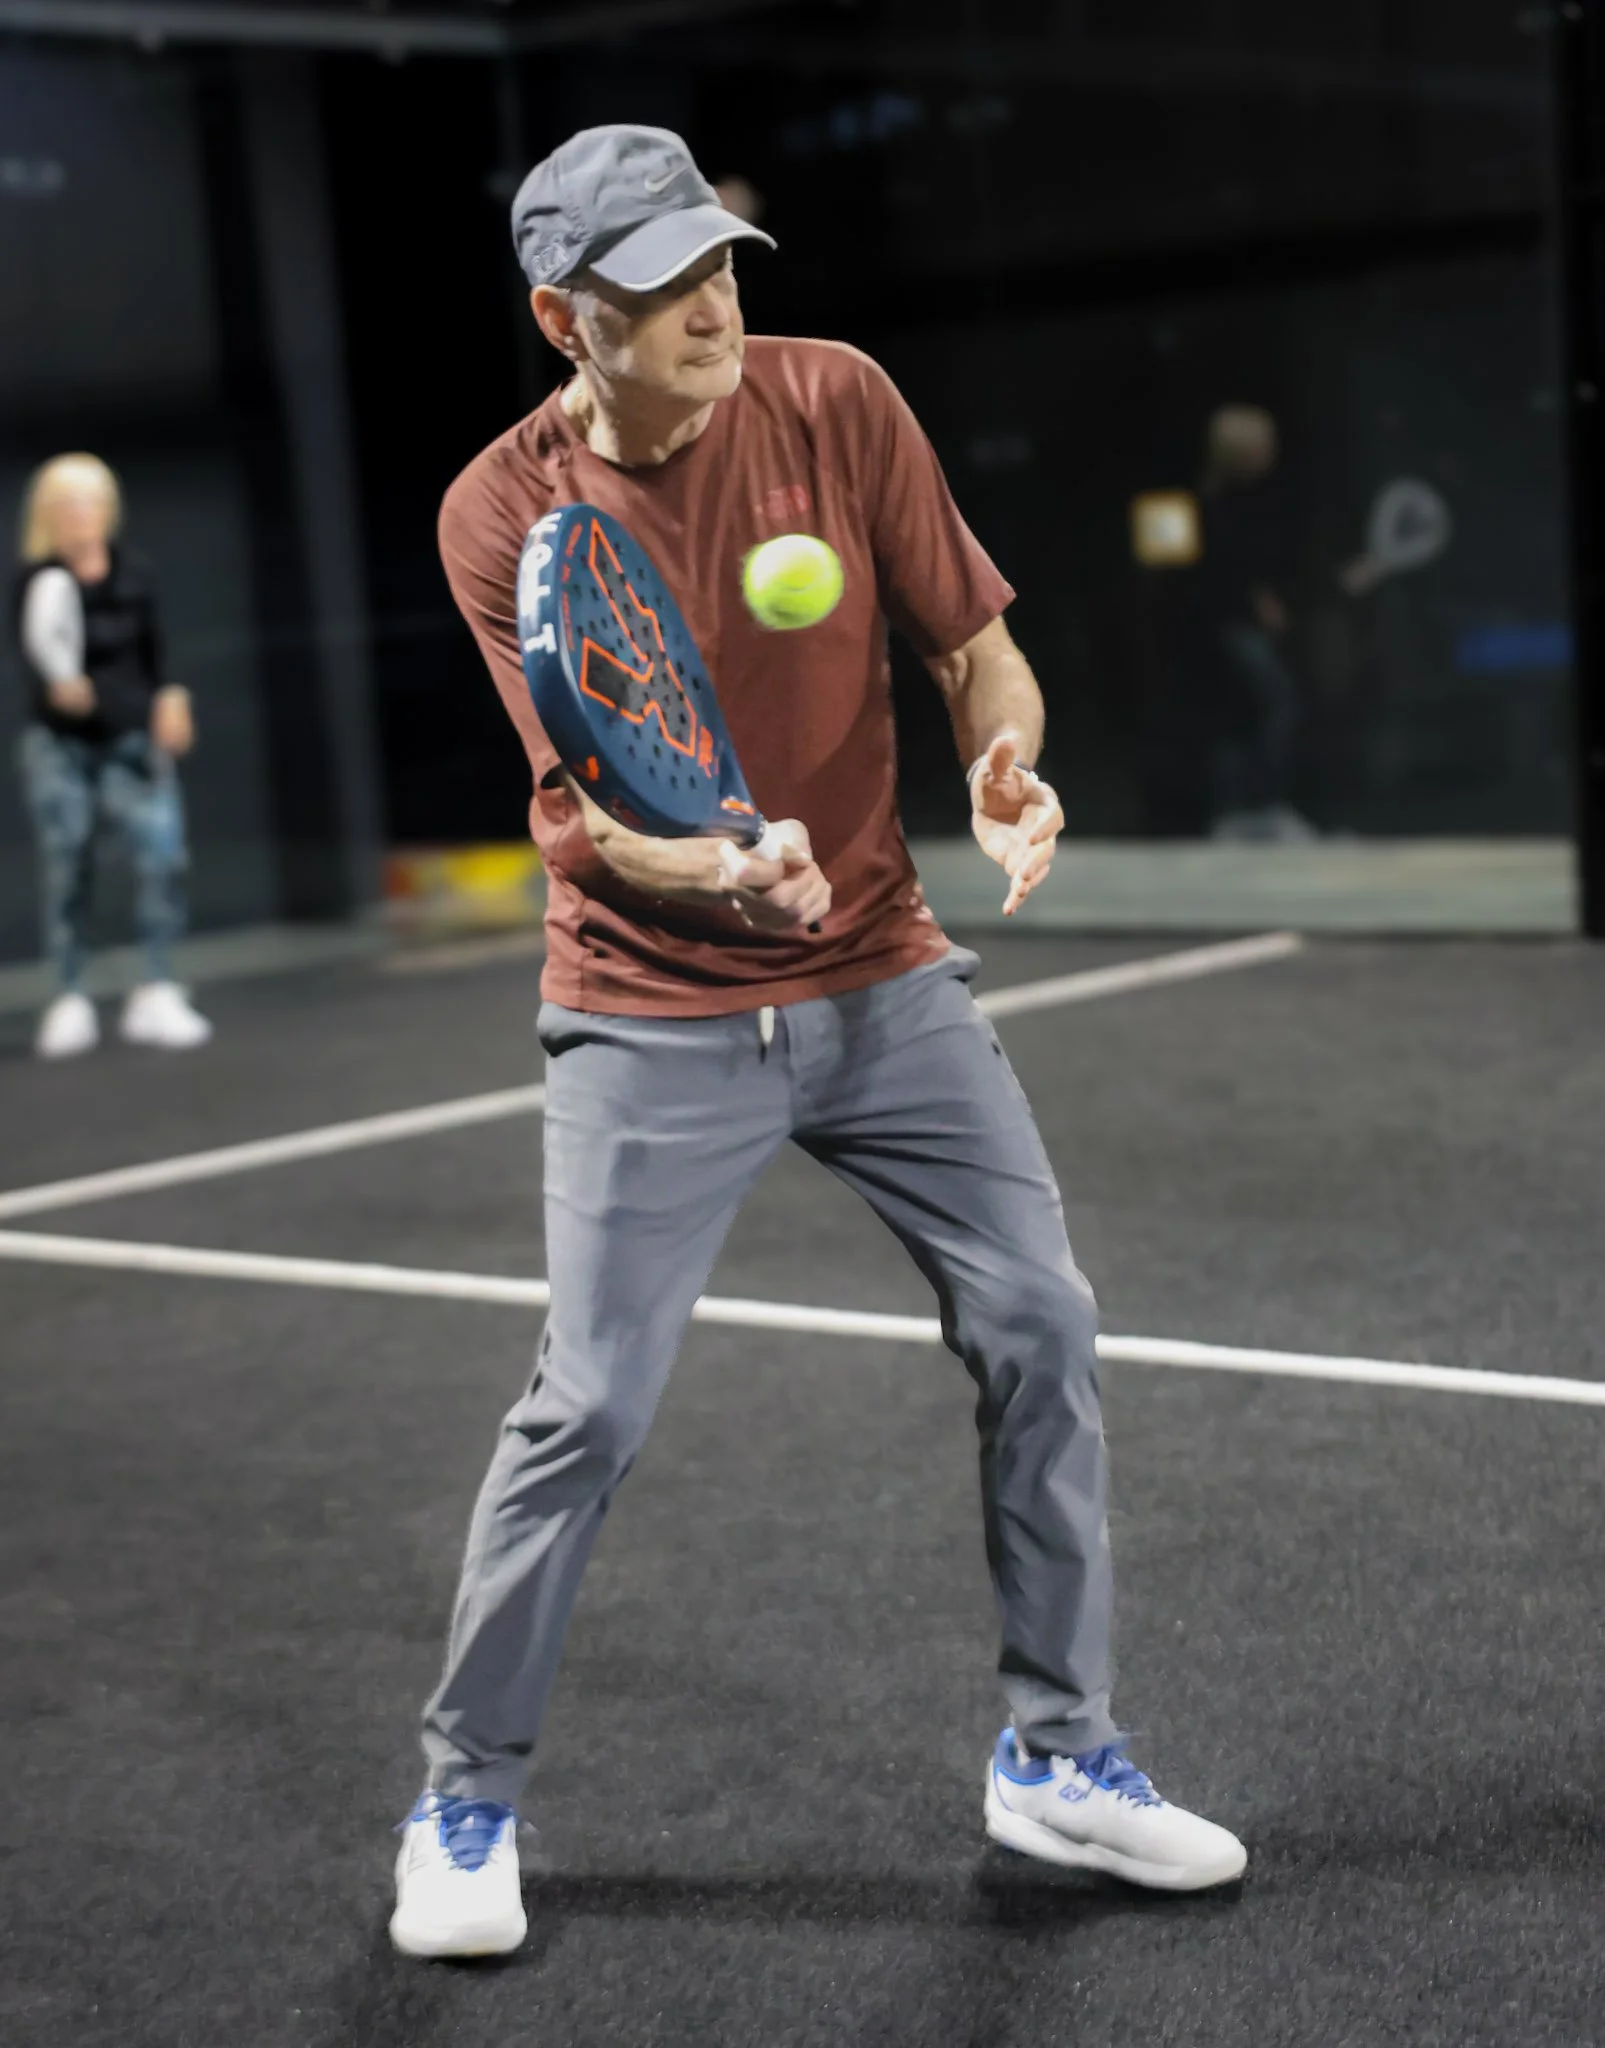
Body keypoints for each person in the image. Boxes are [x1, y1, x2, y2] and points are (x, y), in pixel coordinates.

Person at [391, 124, 1247, 1961]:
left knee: (1044, 1316)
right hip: (649, 1009)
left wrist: (1000, 751)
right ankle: (464, 1790)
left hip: (880, 976)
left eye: (718, 265)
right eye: (657, 289)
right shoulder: (501, 516)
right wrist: (716, 869)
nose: (709, 307)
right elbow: (593, 811)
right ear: (566, 320)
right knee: (593, 1402)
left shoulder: (839, 399)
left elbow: (973, 641)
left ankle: (1060, 1755)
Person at [12, 454, 211, 1055]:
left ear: (107, 508)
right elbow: (38, 656)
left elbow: (163, 654)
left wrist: (172, 701)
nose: (80, 515)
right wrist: (58, 687)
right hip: (63, 747)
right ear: (47, 514)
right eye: (67, 504)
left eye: (90, 501)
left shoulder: (136, 575)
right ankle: (70, 995)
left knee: (162, 857)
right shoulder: (34, 583)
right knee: (69, 865)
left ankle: (157, 989)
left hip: (134, 742)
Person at [1192, 405, 1316, 843]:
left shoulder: (1259, 499)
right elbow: (1224, 567)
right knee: (1273, 708)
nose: (1271, 452)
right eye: (1262, 445)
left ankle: (1249, 809)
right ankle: (1252, 808)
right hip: (1230, 627)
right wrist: (1257, 601)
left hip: (1241, 627)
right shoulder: (1214, 505)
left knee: (1254, 713)